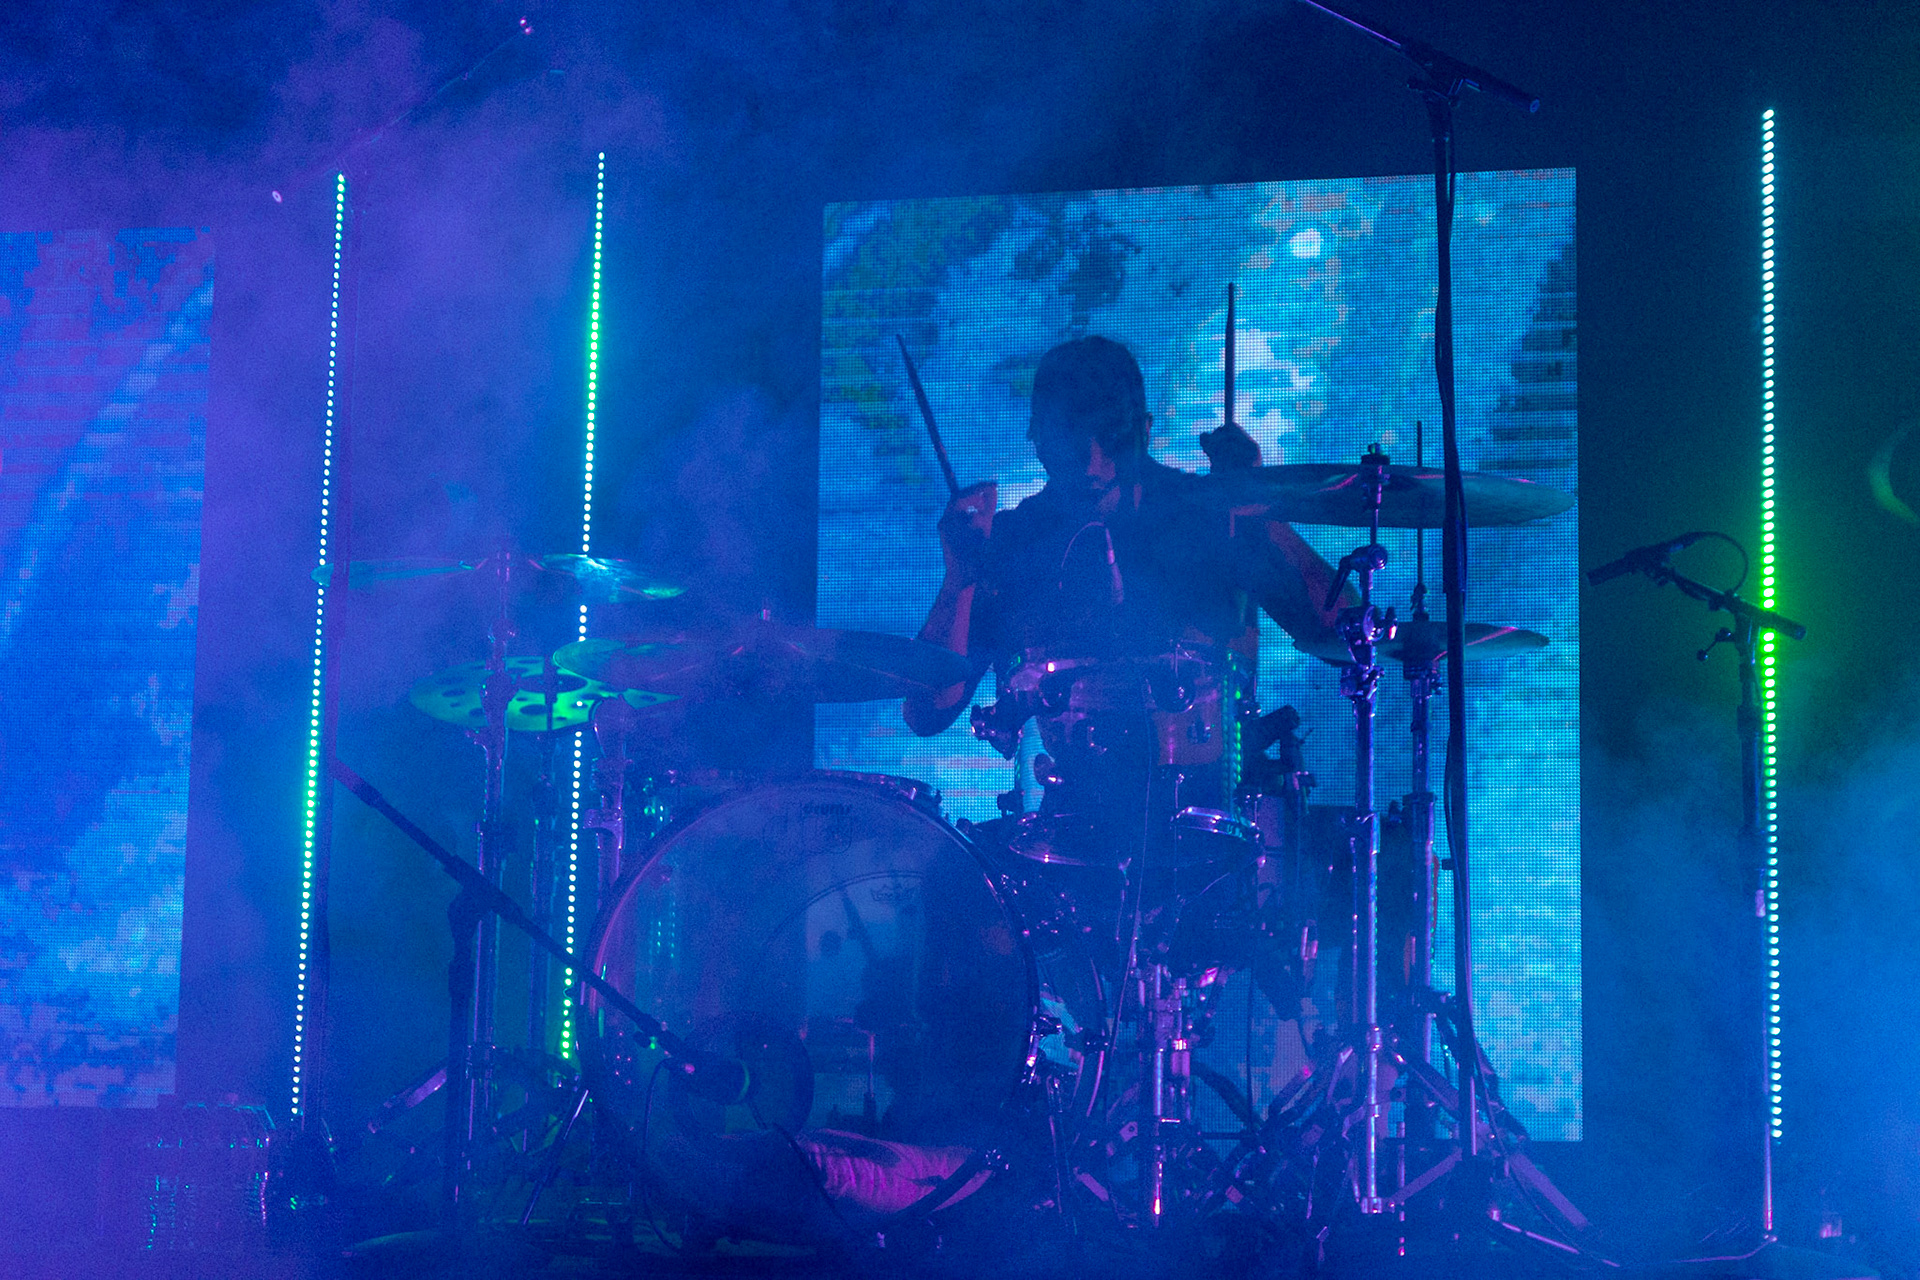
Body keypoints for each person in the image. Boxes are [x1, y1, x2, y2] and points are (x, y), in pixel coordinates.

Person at [903, 335, 1349, 746]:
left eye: (1110, 434)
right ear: (1038, 439)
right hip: (1070, 798)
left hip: (1214, 793)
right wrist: (959, 579)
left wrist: (1260, 513)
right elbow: (926, 711)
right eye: (1071, 437)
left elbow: (1347, 637)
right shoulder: (1012, 542)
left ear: (1145, 429)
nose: (1092, 460)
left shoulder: (1210, 515)